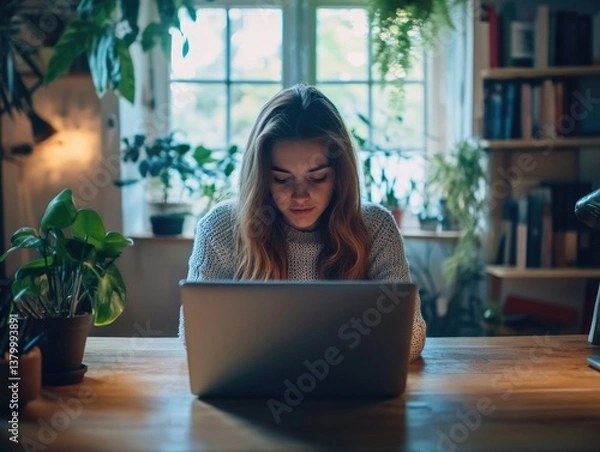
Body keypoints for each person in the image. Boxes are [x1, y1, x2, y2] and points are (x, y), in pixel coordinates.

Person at [180, 84, 426, 361]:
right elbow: (194, 337)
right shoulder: (222, 227)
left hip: (349, 397)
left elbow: (411, 340)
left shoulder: (375, 226)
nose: (300, 196)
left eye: (317, 177)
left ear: (339, 176)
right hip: (255, 396)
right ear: (261, 177)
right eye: (282, 179)